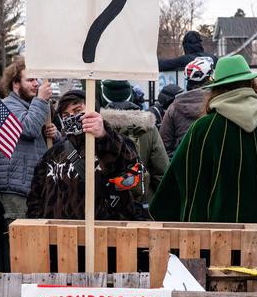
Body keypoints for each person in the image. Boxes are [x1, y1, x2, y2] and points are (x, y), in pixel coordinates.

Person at [150, 55, 257, 265]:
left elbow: (172, 190)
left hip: (213, 258)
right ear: (252, 85)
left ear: (216, 89)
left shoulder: (203, 131)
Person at [26, 90, 141, 220]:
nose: (71, 117)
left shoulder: (118, 144)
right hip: (59, 235)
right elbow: (35, 198)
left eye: (77, 110)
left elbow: (131, 176)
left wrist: (103, 136)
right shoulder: (52, 154)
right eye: (65, 114)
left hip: (102, 233)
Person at [0, 57, 57, 222]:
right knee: (20, 242)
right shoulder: (5, 106)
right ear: (15, 83)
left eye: (37, 79)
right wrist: (41, 100)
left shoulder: (32, 107)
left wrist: (55, 134)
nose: (36, 84)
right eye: (30, 80)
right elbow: (28, 129)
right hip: (16, 190)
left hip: (33, 186)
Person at [100, 80, 169, 208]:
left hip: (103, 206)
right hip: (142, 204)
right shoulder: (147, 127)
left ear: (103, 98)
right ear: (131, 96)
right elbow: (162, 172)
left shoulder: (96, 128)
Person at [160, 56, 214, 157]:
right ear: (208, 79)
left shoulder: (174, 107)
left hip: (182, 165)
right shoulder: (216, 104)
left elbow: (164, 145)